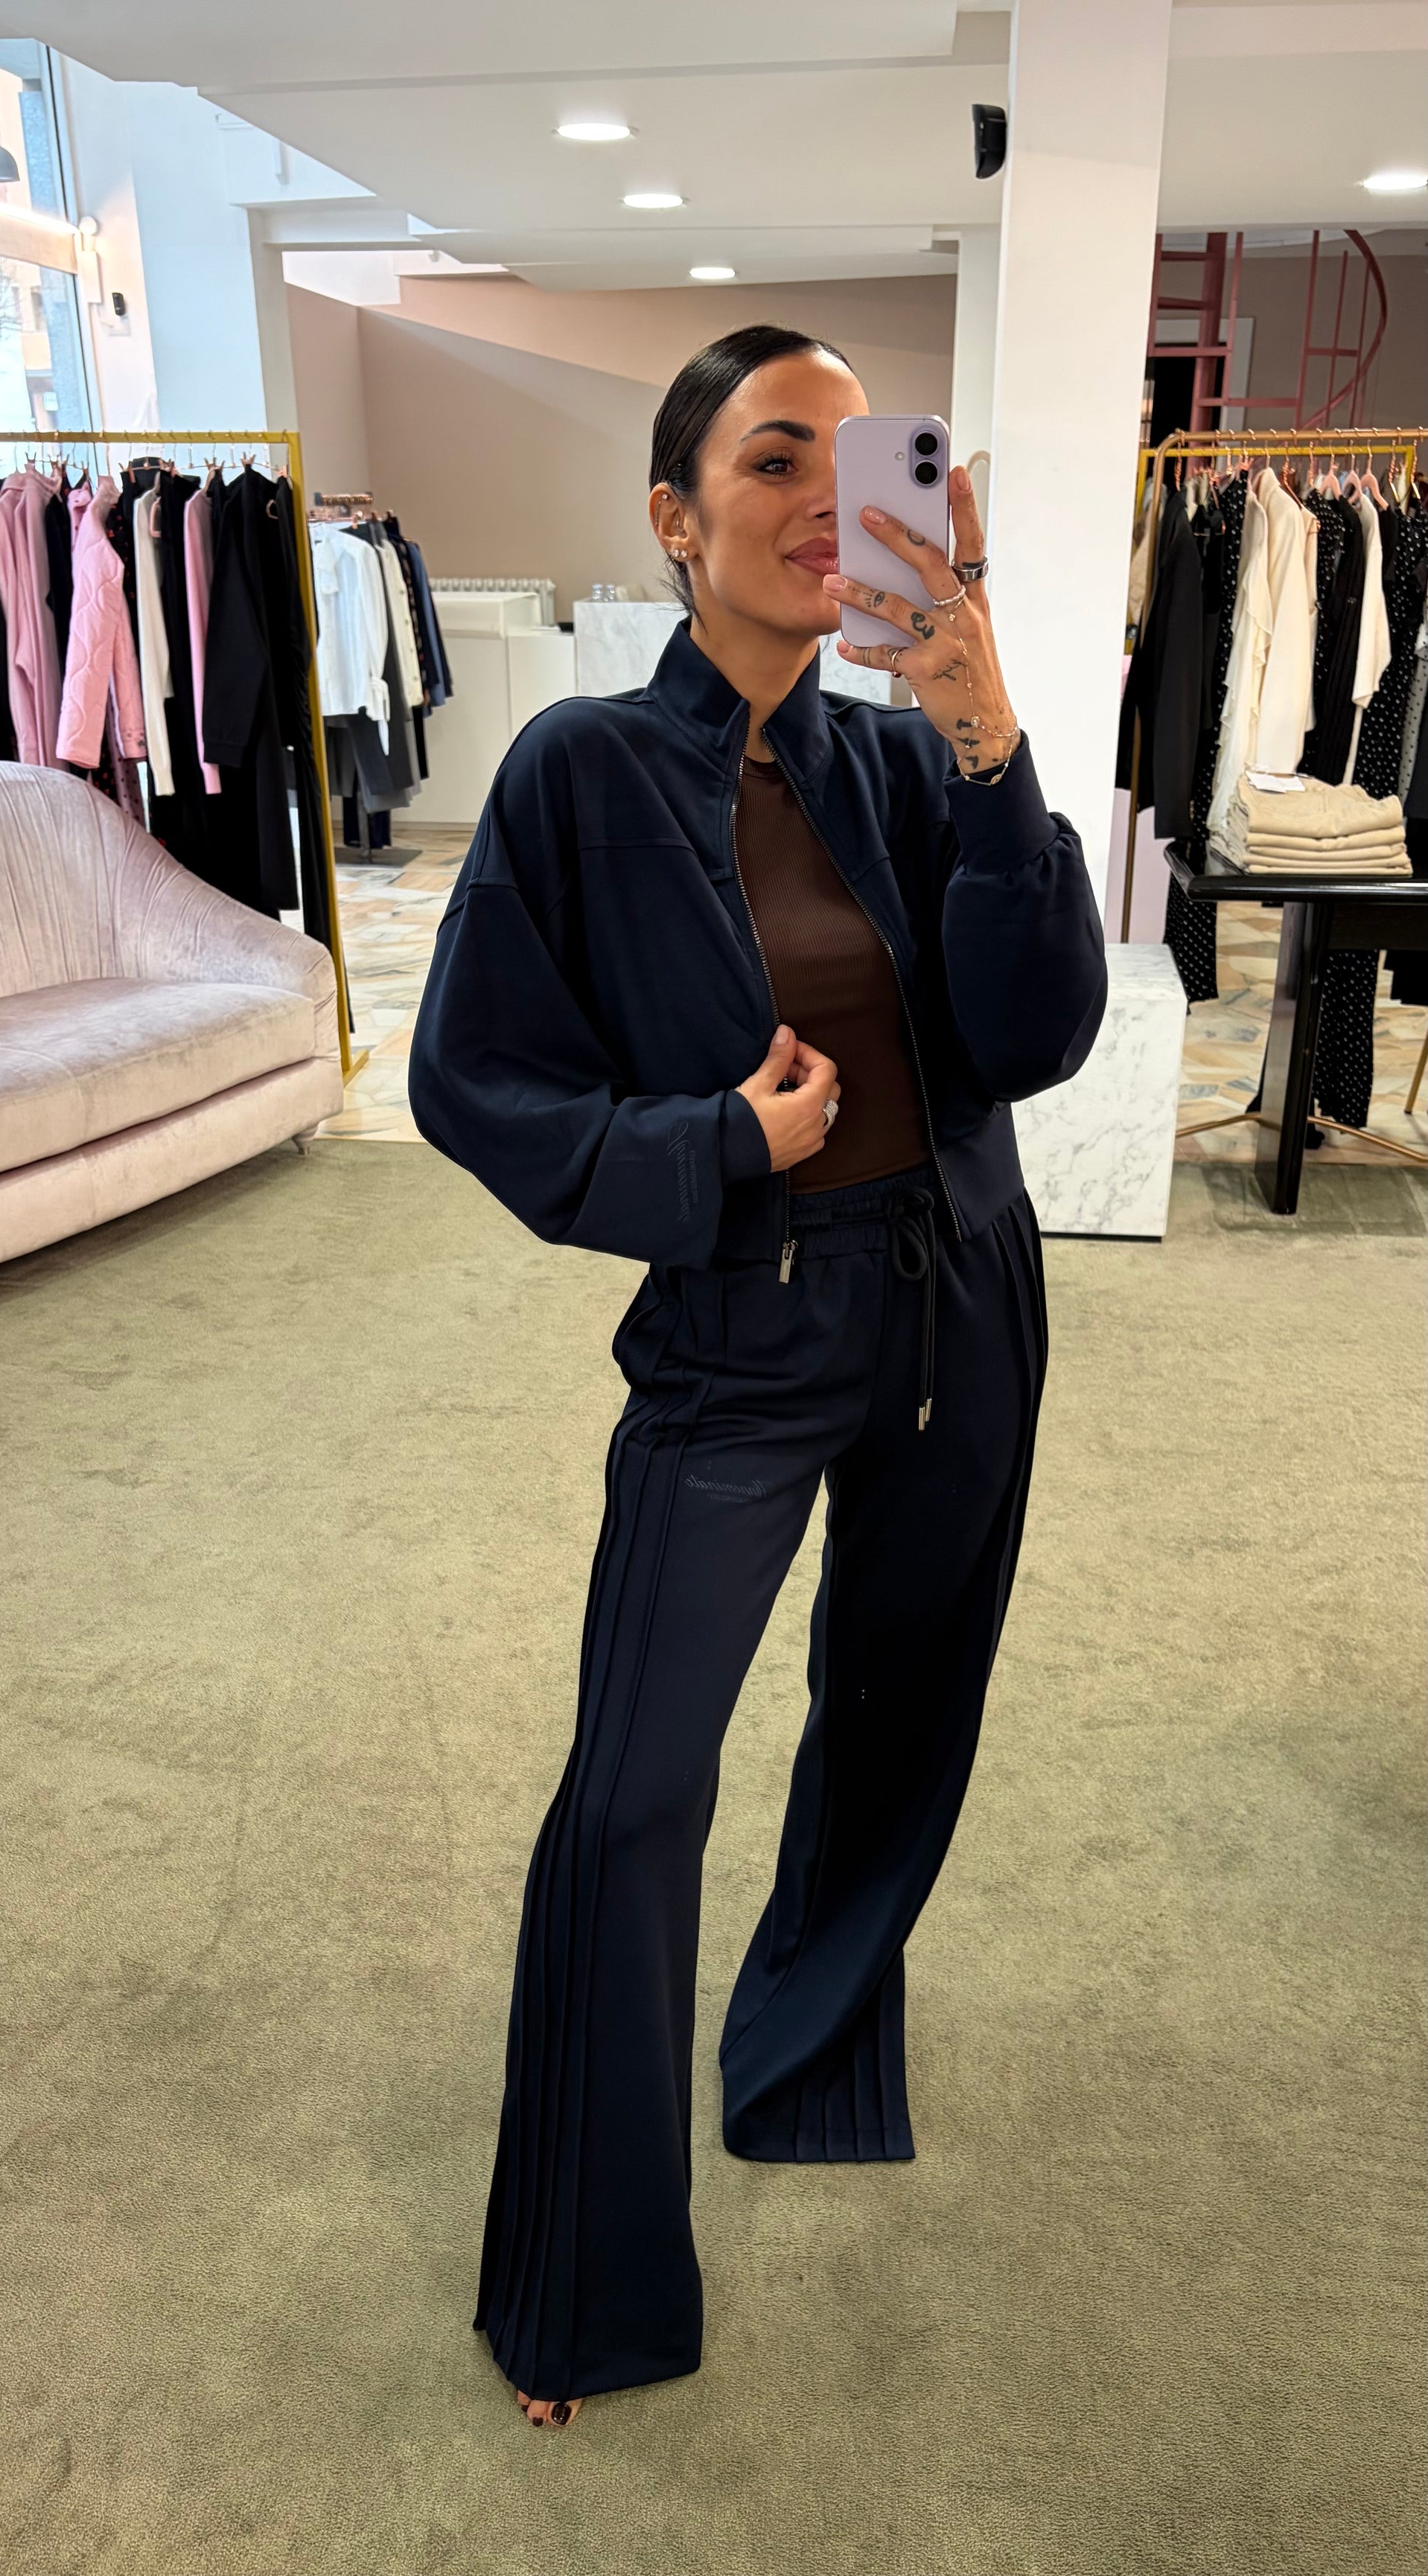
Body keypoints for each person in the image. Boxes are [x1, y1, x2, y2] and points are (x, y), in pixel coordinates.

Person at [409, 324, 1108, 2429]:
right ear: (674, 516)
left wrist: (987, 735)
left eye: (862, 463)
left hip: (960, 1304)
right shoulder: (579, 771)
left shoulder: (908, 759)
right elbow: (473, 1081)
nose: (827, 503)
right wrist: (712, 1146)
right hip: (742, 1324)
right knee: (635, 1786)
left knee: (899, 1713)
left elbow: (1035, 1033)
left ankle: (802, 2055)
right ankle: (581, 2279)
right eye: (775, 460)